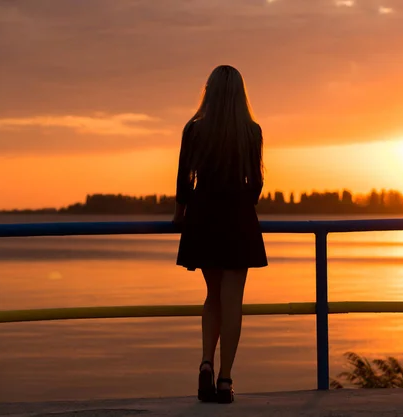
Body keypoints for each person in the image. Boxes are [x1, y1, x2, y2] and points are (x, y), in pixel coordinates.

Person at [172, 65, 268, 404]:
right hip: (238, 217)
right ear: (240, 94)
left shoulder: (194, 130)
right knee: (233, 301)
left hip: (204, 216)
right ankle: (226, 379)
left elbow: (184, 180)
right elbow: (256, 182)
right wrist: (247, 202)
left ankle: (205, 363)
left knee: (212, 296)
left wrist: (181, 213)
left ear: (209, 92)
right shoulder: (251, 131)